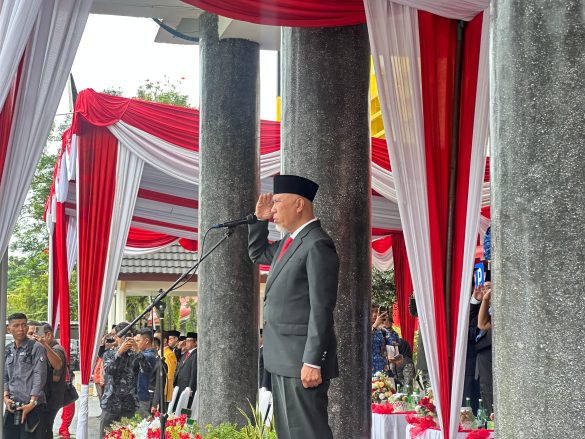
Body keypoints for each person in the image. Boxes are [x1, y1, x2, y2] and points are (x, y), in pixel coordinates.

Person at [249, 174, 339, 439]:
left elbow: (322, 308)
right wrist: (259, 220)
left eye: (277, 201)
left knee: (308, 433)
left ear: (299, 204)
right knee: (288, 433)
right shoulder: (289, 242)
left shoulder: (317, 243)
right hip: (282, 358)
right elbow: (257, 253)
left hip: (301, 360)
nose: (272, 207)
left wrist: (313, 360)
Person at [100, 323, 152, 437]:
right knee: (106, 436)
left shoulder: (135, 355)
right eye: (122, 337)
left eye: (128, 336)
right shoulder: (109, 354)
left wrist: (138, 350)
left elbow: (147, 370)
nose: (125, 340)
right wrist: (119, 352)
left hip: (129, 405)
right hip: (110, 404)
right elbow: (109, 370)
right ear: (117, 338)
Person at [4, 313, 47, 439]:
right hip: (12, 405)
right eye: (16, 326)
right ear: (8, 329)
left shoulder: (36, 347)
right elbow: (4, 376)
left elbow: (40, 375)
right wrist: (5, 397)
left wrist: (32, 402)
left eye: (24, 325)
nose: (21, 329)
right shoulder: (8, 349)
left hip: (32, 406)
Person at [34, 324, 66, 439]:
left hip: (51, 398)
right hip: (47, 398)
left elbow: (56, 377)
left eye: (38, 336)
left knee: (45, 430)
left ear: (48, 335)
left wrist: (38, 376)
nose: (36, 339)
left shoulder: (56, 350)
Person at [136, 328, 157, 417]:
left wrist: (135, 349)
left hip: (142, 396)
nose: (136, 343)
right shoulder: (143, 354)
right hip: (139, 396)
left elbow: (142, 357)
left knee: (141, 423)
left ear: (146, 340)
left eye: (138, 341)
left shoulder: (150, 355)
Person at [173, 332, 197, 410]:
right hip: (179, 385)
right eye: (186, 341)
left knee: (186, 408)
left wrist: (190, 387)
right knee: (178, 407)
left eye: (189, 341)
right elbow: (177, 361)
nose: (186, 343)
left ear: (195, 342)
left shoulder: (196, 354)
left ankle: (185, 418)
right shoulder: (186, 353)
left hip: (187, 386)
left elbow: (194, 373)